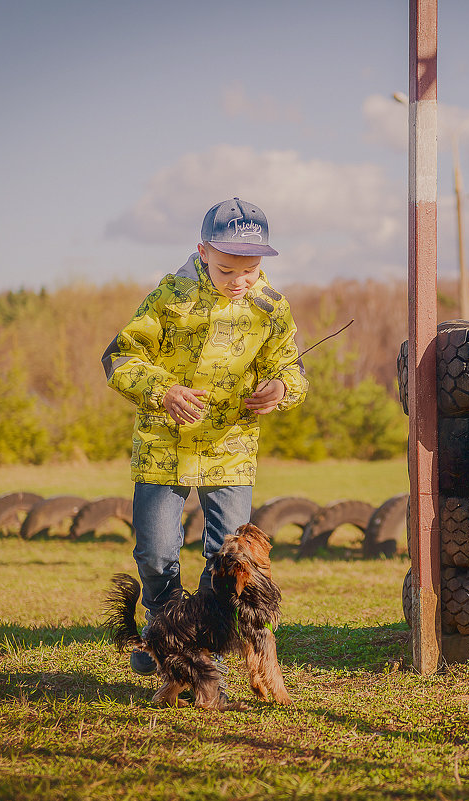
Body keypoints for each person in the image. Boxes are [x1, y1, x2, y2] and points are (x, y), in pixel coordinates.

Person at [102, 197, 308, 675]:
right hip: (162, 447)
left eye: (250, 270)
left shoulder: (271, 307)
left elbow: (290, 369)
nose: (240, 282)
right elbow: (119, 358)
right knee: (154, 553)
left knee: (225, 560)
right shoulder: (168, 297)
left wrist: (281, 388)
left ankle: (201, 648)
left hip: (231, 449)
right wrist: (163, 390)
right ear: (202, 251)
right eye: (226, 270)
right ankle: (163, 632)